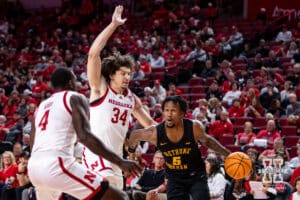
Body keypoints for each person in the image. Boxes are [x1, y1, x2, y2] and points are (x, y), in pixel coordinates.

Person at [28, 68, 142, 200]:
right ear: (71, 83)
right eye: (76, 82)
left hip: (34, 167)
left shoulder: (41, 106)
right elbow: (84, 136)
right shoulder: (74, 97)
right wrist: (120, 162)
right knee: (118, 197)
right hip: (56, 164)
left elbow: (33, 143)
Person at [84, 5, 156, 189]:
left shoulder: (131, 99)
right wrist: (113, 25)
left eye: (129, 73)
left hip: (116, 159)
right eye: (123, 73)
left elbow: (150, 125)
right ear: (112, 75)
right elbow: (93, 54)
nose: (127, 77)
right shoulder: (100, 89)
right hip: (97, 156)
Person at [127, 96, 231, 200]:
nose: (169, 114)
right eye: (166, 110)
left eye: (173, 110)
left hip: (196, 176)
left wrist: (227, 154)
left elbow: (208, 141)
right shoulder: (155, 132)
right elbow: (134, 136)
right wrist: (131, 158)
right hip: (174, 178)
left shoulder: (194, 127)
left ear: (182, 113)